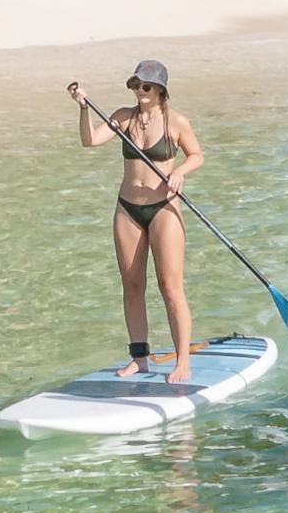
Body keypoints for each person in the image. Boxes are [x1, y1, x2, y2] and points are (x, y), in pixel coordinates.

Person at [65, 60, 204, 385]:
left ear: (160, 91)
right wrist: (83, 109)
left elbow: (197, 155)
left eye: (145, 87)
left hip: (163, 210)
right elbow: (90, 141)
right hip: (127, 208)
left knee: (170, 288)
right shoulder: (123, 117)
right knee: (132, 285)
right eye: (135, 85)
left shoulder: (176, 122)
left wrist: (180, 173)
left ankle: (182, 361)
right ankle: (139, 358)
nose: (139, 91)